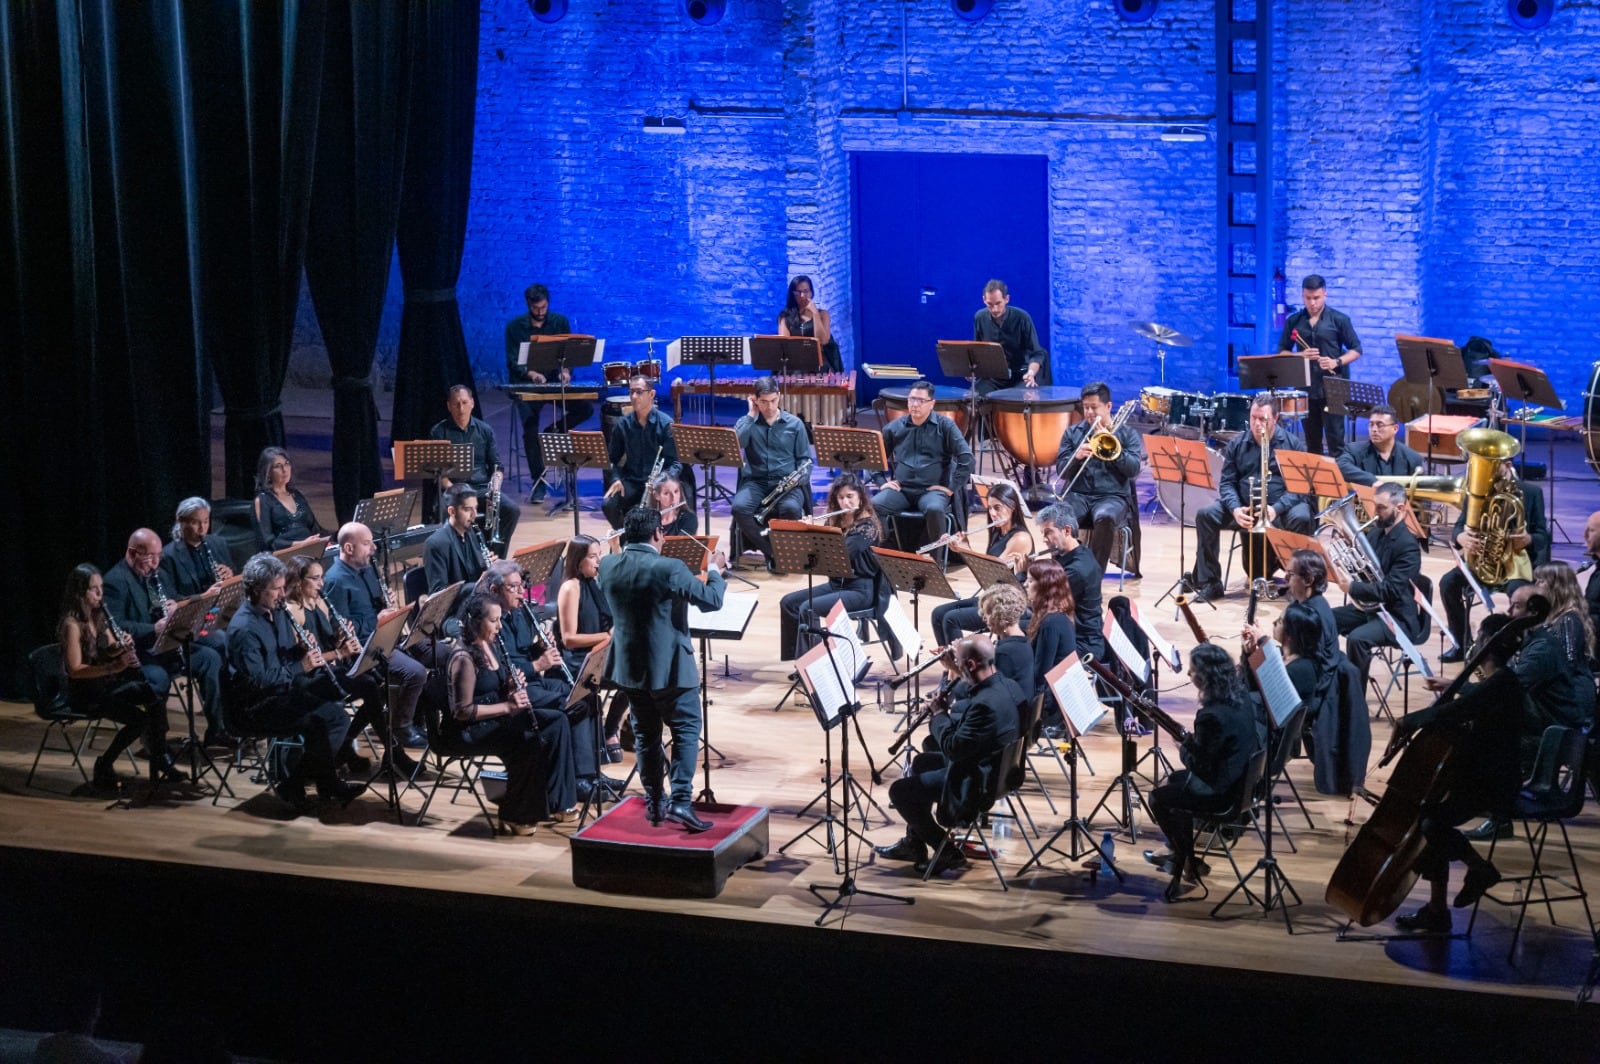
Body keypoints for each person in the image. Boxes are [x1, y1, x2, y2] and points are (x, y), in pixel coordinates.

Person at [1391, 614, 1531, 933]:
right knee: (1430, 817)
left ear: (1486, 644)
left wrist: (1410, 721)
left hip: (1495, 785)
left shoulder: (1501, 684)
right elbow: (1471, 706)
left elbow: (1455, 711)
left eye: (1479, 638)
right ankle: (1438, 908)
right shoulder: (1498, 683)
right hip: (1483, 778)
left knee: (1430, 820)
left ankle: (1477, 869)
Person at [598, 507, 728, 832]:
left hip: (630, 667)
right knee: (685, 729)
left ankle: (655, 803)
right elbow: (711, 600)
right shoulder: (670, 567)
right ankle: (681, 801)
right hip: (670, 666)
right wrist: (714, 570)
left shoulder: (608, 565)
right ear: (658, 534)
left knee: (645, 734)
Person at [225, 553, 364, 813]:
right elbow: (256, 681)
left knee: (338, 714)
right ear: (255, 590)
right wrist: (301, 666)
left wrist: (300, 649)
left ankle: (307, 782)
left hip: (283, 692)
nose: (281, 595)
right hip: (257, 706)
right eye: (275, 589)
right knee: (320, 722)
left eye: (282, 587)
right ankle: (314, 783)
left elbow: (283, 655)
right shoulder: (244, 629)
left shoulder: (274, 611)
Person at [873, 636, 1023, 876]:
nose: (956, 667)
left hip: (975, 783)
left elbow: (953, 748)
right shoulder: (1008, 686)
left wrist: (939, 715)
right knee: (921, 762)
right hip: (993, 769)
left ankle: (946, 851)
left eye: (959, 662)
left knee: (900, 791)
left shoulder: (985, 704)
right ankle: (914, 842)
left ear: (972, 665)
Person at [444, 593, 574, 835]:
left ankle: (558, 800)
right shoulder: (463, 657)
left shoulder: (491, 645)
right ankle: (516, 814)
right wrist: (508, 707)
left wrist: (511, 687)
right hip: (470, 730)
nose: (500, 626)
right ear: (476, 622)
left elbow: (495, 688)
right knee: (526, 739)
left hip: (495, 718)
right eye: (494, 621)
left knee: (556, 721)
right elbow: (462, 712)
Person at [482, 561, 609, 805]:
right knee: (572, 704)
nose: (521, 593)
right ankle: (579, 778)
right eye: (513, 587)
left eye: (521, 586)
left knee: (585, 694)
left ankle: (592, 772)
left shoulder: (519, 613)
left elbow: (521, 652)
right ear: (495, 589)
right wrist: (538, 664)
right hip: (513, 691)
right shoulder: (490, 621)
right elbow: (501, 669)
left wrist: (538, 648)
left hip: (533, 682)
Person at [1144, 643, 1262, 900]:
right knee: (1174, 781)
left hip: (1222, 794)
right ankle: (1185, 856)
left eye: (1193, 670)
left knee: (1158, 798)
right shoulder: (1240, 696)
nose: (1189, 674)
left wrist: (1183, 747)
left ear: (1206, 677)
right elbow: (1215, 749)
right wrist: (1195, 744)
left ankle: (1185, 859)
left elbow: (1200, 765)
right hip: (1242, 782)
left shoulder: (1211, 716)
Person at [58, 563, 183, 792]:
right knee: (139, 719)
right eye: (93, 589)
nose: (100, 594)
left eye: (101, 588)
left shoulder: (99, 615)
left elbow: (110, 648)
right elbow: (75, 669)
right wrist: (113, 668)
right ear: (79, 593)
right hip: (85, 693)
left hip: (104, 685)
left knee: (152, 694)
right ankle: (106, 764)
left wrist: (122, 647)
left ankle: (159, 756)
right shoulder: (72, 625)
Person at [102, 529, 227, 746]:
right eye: (150, 556)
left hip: (167, 645)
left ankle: (217, 729)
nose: (155, 563)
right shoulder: (115, 581)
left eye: (159, 555)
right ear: (132, 553)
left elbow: (174, 598)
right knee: (158, 679)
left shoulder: (157, 574)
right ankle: (156, 742)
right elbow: (118, 625)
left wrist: (175, 606)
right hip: (141, 652)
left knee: (210, 658)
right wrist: (153, 628)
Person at [323, 521, 430, 768]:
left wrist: (386, 604)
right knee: (413, 673)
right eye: (366, 543)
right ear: (348, 548)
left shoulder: (368, 568)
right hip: (363, 649)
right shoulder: (335, 581)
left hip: (384, 637)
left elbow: (375, 609)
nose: (373, 548)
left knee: (427, 654)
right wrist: (376, 620)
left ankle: (358, 743)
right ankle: (402, 728)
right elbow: (341, 629)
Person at [1189, 395, 1312, 599]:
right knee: (1205, 515)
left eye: (1263, 419)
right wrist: (1236, 509)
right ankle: (1211, 583)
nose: (1257, 424)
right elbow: (1227, 483)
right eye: (1253, 417)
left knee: (1302, 517)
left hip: (1280, 508)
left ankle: (1295, 583)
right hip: (1245, 507)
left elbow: (1300, 488)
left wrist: (1276, 509)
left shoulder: (1292, 444)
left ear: (1276, 418)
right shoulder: (1238, 443)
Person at [1437, 459, 1547, 661]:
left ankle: (1520, 649)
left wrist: (1529, 538)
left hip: (1514, 565)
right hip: (1482, 563)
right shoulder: (1477, 492)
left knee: (1521, 597)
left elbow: (1543, 535)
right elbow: (1459, 527)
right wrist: (1461, 537)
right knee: (1448, 583)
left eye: (1494, 464)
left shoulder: (1531, 492)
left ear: (1507, 463)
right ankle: (1462, 645)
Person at [282, 555, 379, 774]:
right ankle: (345, 749)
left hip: (328, 672)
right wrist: (339, 652)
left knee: (376, 684)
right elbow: (303, 660)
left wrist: (340, 636)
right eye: (315, 579)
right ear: (298, 581)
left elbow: (326, 644)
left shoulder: (320, 602)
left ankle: (346, 744)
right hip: (308, 681)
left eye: (321, 578)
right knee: (369, 686)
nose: (321, 584)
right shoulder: (292, 612)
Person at [778, 474, 885, 660]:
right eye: (841, 497)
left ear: (860, 496)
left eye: (850, 496)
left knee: (808, 607)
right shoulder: (834, 521)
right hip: (837, 585)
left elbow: (842, 553)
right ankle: (799, 659)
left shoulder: (868, 526)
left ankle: (815, 662)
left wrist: (813, 532)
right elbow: (819, 556)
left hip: (860, 590)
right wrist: (806, 532)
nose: (845, 502)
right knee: (789, 602)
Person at [504, 283, 594, 503]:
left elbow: (569, 354)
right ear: (528, 305)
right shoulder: (515, 327)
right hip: (528, 386)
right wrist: (532, 374)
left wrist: (565, 371)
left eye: (544, 307)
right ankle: (539, 481)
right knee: (530, 427)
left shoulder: (559, 322)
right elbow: (513, 362)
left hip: (553, 382)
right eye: (536, 308)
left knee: (585, 408)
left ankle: (554, 431)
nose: (540, 312)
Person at [1329, 483, 1424, 689]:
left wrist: (1352, 588)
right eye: (1375, 506)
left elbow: (1390, 590)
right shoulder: (1375, 534)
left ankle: (1354, 702)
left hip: (1396, 618)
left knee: (1357, 639)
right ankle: (1329, 682)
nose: (1375, 512)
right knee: (1325, 619)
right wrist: (1345, 549)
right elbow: (1363, 570)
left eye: (1381, 508)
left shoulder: (1408, 546)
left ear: (1400, 509)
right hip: (1371, 608)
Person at [873, 379, 974, 548]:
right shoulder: (894, 427)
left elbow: (967, 458)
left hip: (931, 491)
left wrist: (951, 487)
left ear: (931, 403)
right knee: (875, 505)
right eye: (912, 399)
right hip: (902, 490)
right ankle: (886, 555)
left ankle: (937, 562)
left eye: (921, 400)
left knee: (934, 509)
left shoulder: (945, 427)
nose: (915, 404)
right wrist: (882, 483)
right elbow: (875, 457)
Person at [931, 481, 1033, 645]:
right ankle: (950, 663)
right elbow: (984, 569)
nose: (992, 513)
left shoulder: (1020, 538)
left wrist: (964, 550)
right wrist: (964, 548)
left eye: (997, 507)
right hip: (993, 597)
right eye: (990, 508)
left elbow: (992, 572)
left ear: (1012, 506)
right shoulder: (998, 533)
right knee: (938, 613)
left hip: (1009, 605)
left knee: (951, 619)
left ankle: (960, 668)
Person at [1055, 381, 1143, 571]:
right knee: (1061, 516)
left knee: (1105, 517)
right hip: (1079, 494)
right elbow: (1061, 471)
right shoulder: (1072, 433)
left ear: (1108, 406)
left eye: (1094, 407)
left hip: (1113, 496)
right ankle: (1064, 569)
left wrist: (1114, 450)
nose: (1089, 413)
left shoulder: (1127, 435)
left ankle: (1093, 573)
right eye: (1085, 407)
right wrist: (1076, 456)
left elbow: (1134, 469)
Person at [555, 535, 625, 764]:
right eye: (593, 557)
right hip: (580, 663)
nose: (598, 561)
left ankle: (610, 730)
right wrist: (607, 636)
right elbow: (569, 639)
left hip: (599, 655)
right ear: (578, 561)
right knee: (633, 680)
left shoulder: (592, 582)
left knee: (641, 674)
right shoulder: (570, 588)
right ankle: (608, 734)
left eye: (599, 555)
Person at [732, 375, 812, 572]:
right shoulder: (746, 422)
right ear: (755, 400)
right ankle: (773, 552)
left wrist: (798, 478)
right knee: (739, 508)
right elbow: (737, 445)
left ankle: (784, 553)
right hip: (756, 482)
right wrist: (751, 416)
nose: (769, 406)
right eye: (763, 402)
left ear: (779, 396)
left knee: (791, 509)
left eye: (773, 401)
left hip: (787, 485)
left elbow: (805, 460)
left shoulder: (794, 424)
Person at [1277, 273, 1363, 456]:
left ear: (1325, 294)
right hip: (1306, 387)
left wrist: (1336, 361)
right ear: (1302, 296)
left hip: (1334, 386)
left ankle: (1339, 482)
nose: (1312, 303)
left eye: (1316, 298)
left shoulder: (1339, 320)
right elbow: (1282, 352)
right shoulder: (1294, 321)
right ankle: (1315, 484)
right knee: (1312, 442)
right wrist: (1300, 355)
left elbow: (1356, 350)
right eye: (1308, 298)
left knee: (1336, 443)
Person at [430, 385, 519, 554]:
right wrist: (453, 490)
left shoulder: (485, 430)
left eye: (464, 402)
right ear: (449, 406)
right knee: (444, 511)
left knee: (512, 510)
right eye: (456, 404)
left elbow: (497, 466)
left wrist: (496, 484)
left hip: (481, 489)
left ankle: (496, 556)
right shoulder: (439, 431)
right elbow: (438, 473)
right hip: (455, 489)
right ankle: (453, 557)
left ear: (472, 403)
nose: (461, 408)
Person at [602, 375, 681, 531]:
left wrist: (662, 483)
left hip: (657, 485)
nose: (633, 397)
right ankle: (626, 539)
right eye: (631, 392)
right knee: (608, 504)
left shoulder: (666, 424)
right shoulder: (623, 424)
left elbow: (675, 464)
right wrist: (616, 479)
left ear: (651, 394)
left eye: (639, 392)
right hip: (632, 481)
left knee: (651, 513)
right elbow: (611, 459)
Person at [1035, 503, 1106, 660]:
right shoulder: (1076, 553)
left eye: (1048, 532)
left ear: (1066, 530)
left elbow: (1039, 602)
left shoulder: (1077, 570)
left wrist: (1021, 574)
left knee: (1015, 633)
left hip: (1082, 642)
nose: (1044, 539)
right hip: (1068, 630)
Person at [972, 279, 1046, 392]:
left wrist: (1030, 373)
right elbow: (978, 351)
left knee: (1017, 399)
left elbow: (1037, 353)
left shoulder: (1022, 318)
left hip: (1021, 375)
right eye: (989, 304)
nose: (995, 309)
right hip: (994, 377)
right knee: (971, 398)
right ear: (984, 300)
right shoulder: (980, 318)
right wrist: (972, 370)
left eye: (998, 303)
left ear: (1007, 299)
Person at [1025, 558, 1077, 708]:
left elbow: (1041, 675)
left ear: (1044, 586)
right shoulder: (1057, 613)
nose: (1025, 585)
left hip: (1051, 702)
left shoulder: (1051, 623)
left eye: (1030, 581)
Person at [252, 447, 328, 550]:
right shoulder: (263, 500)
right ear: (268, 472)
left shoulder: (296, 495)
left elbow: (315, 528)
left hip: (310, 549)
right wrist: (301, 544)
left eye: (287, 463)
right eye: (278, 466)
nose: (284, 469)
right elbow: (268, 541)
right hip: (284, 555)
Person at [160, 497, 235, 598]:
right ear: (181, 521)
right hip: (192, 611)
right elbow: (171, 597)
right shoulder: (167, 555)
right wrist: (202, 597)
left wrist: (230, 575)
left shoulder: (219, 543)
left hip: (221, 605)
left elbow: (235, 575)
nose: (202, 529)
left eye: (205, 522)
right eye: (195, 523)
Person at [423, 484, 492, 596]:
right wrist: (477, 585)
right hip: (458, 608)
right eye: (467, 510)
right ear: (452, 511)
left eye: (475, 508)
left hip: (478, 599)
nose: (474, 515)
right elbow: (439, 594)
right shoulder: (436, 544)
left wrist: (493, 569)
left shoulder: (475, 532)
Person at [1335, 404, 1421, 486]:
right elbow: (1341, 465)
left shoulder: (1413, 458)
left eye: (1380, 425)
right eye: (1371, 424)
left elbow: (1423, 494)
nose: (1374, 429)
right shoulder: (1353, 450)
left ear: (1395, 429)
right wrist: (1371, 481)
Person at [777, 275, 842, 373]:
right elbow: (785, 345)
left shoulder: (823, 314)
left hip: (819, 364)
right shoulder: (785, 317)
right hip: (795, 364)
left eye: (805, 291)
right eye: (798, 292)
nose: (802, 296)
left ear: (811, 293)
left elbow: (823, 340)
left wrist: (815, 313)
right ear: (793, 294)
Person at [980, 583, 1034, 701]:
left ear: (1001, 614)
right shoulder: (1024, 639)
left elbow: (987, 695)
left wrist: (958, 669)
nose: (984, 618)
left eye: (988, 613)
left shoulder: (1005, 653)